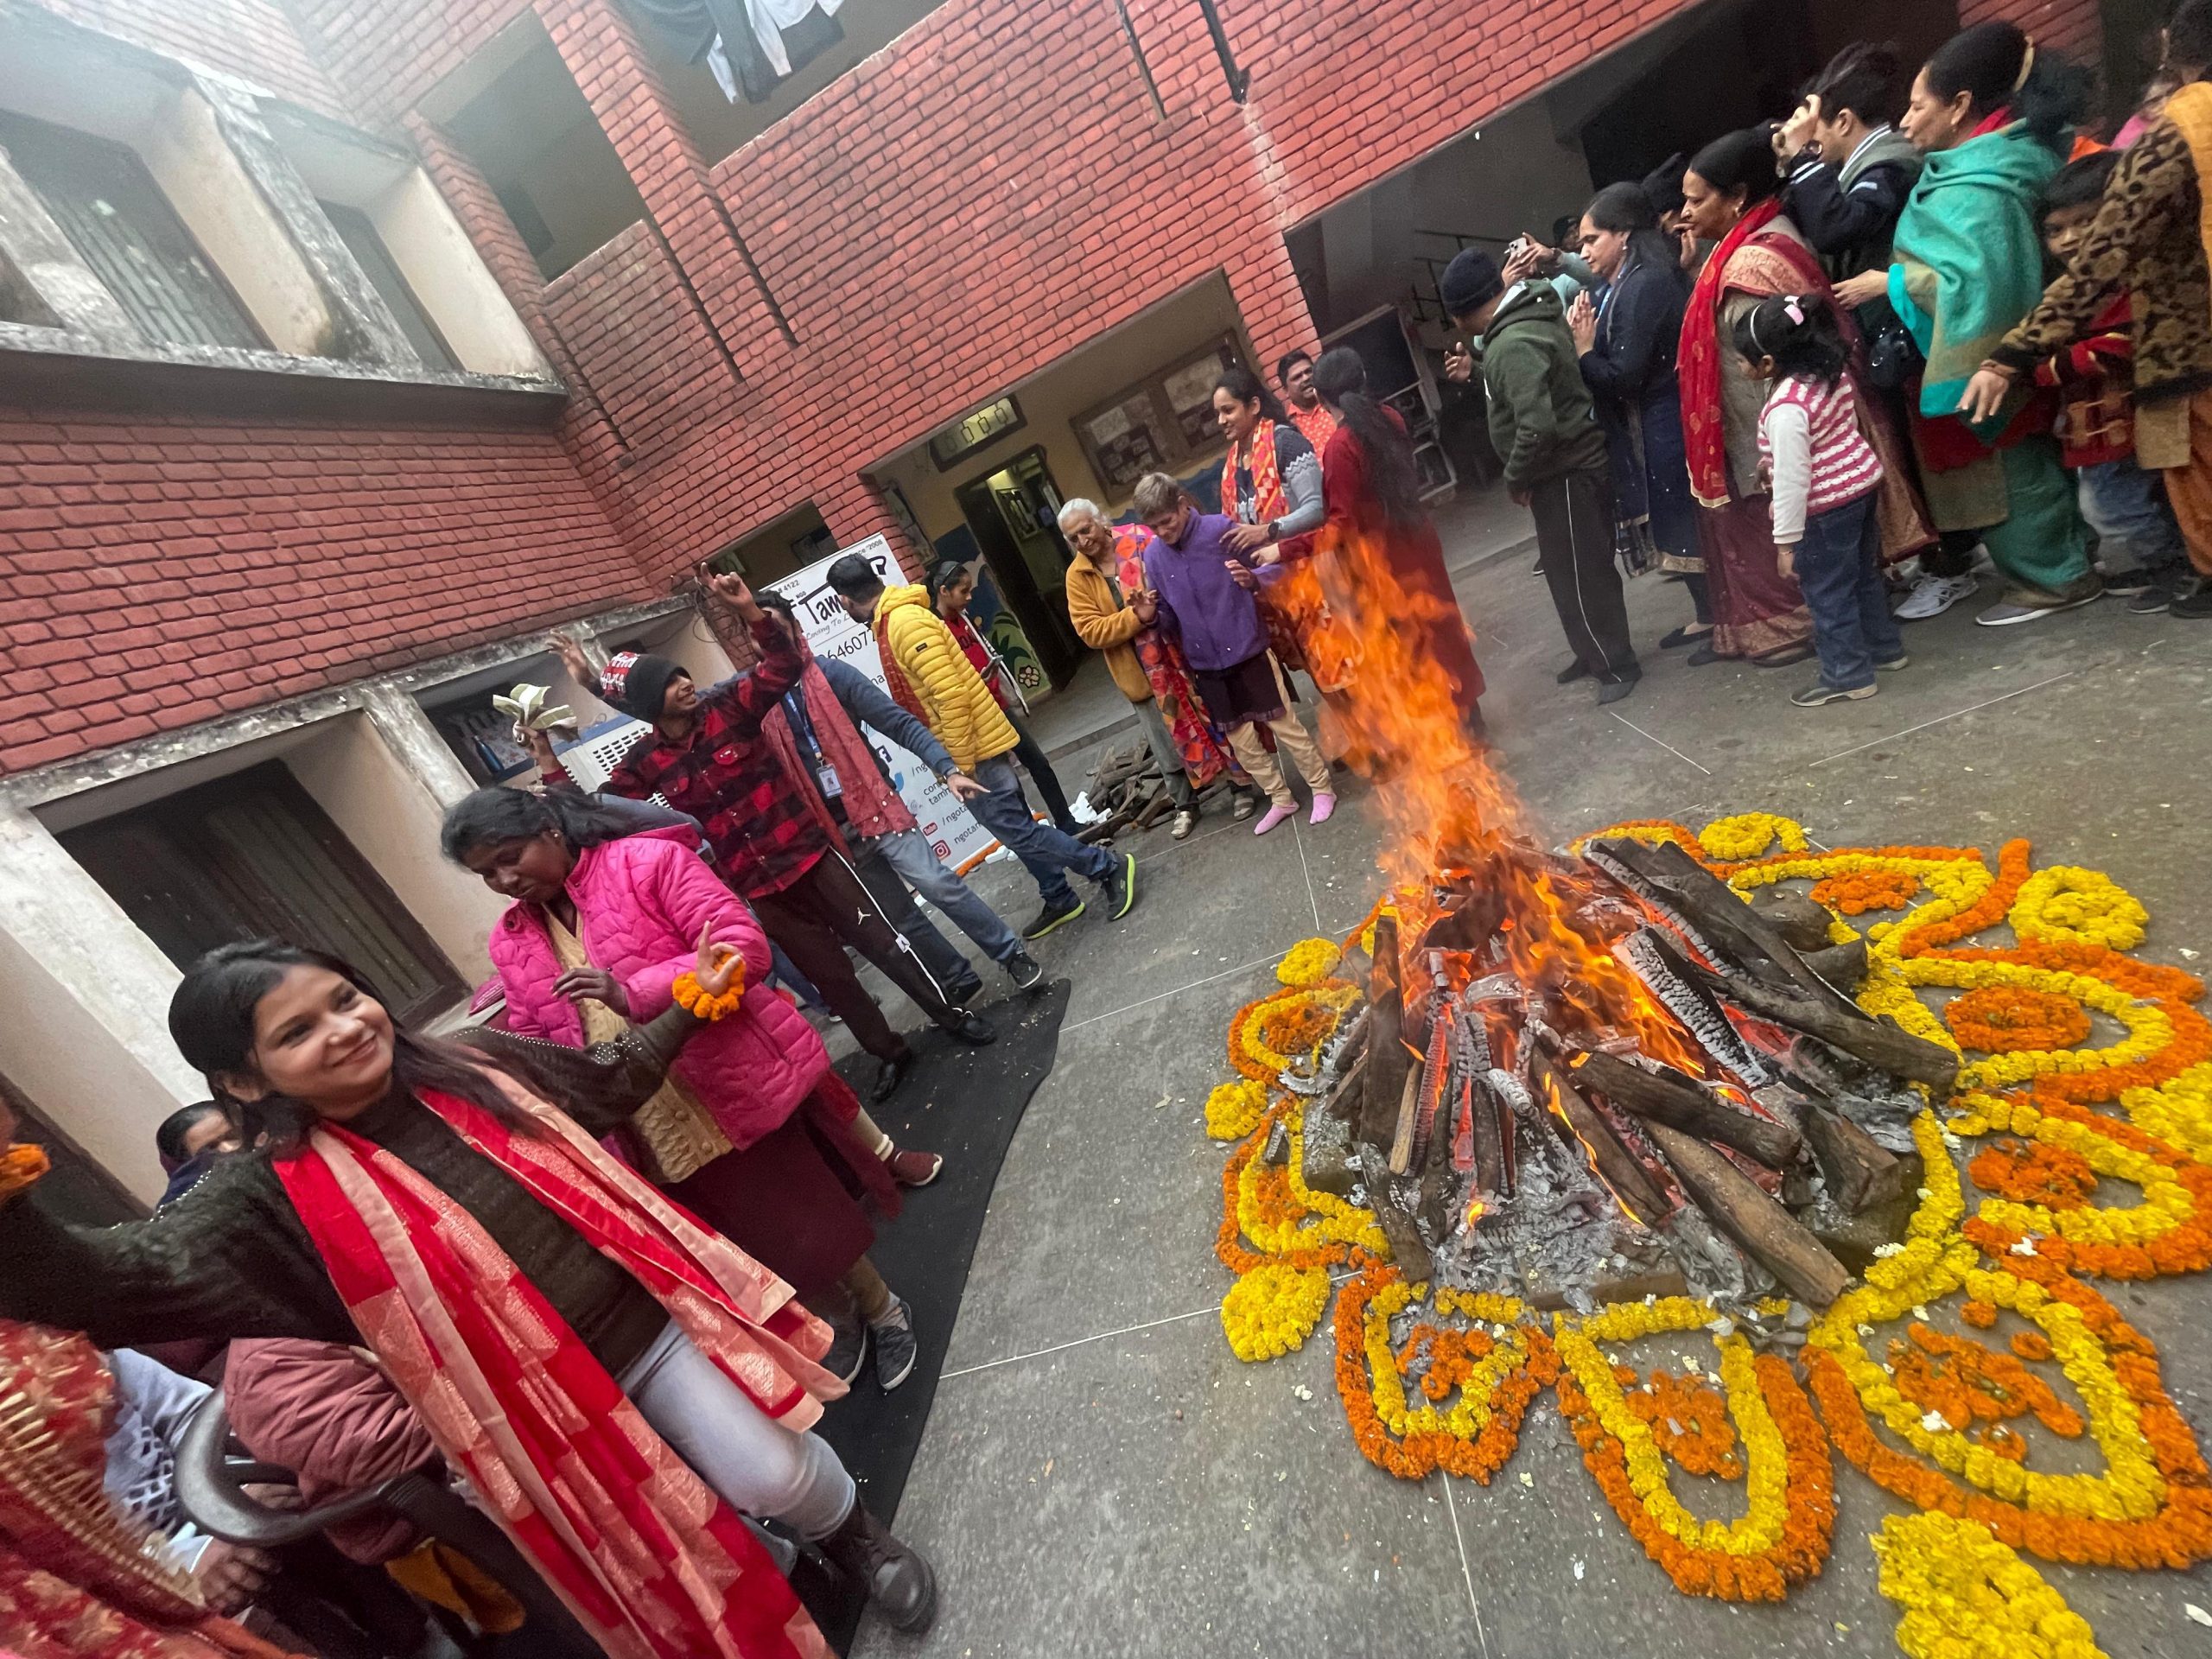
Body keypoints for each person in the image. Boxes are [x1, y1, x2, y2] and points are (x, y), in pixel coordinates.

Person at [0, 935, 939, 1650]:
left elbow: (609, 1086)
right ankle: (774, 1592)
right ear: (244, 1079)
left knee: (770, 1474)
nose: (346, 1027)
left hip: (645, 1332)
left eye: (345, 998)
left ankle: (856, 1538)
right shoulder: (263, 1197)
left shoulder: (480, 1063)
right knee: (674, 1551)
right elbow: (103, 1287)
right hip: (518, 1421)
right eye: (298, 1032)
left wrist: (688, 1005)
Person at [442, 785, 924, 1392]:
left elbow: (741, 949)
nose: (506, 879)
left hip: (720, 1079)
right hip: (639, 1115)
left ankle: (884, 1309)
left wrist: (631, 992)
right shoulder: (509, 941)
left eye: (511, 856)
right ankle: (839, 1320)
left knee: (805, 1218)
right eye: (487, 873)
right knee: (750, 1240)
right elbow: (544, 1036)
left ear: (550, 829)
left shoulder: (647, 863)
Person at [545, 575, 995, 1105]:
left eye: (684, 675)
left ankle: (950, 1016)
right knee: (833, 980)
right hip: (759, 888)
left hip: (813, 858)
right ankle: (889, 1052)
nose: (687, 683)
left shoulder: (729, 705)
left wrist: (750, 614)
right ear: (649, 704)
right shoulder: (647, 761)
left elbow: (782, 667)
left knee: (889, 945)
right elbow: (592, 811)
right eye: (672, 683)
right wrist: (546, 759)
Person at [1835, 22, 2101, 626]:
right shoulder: (1991, 161)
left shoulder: (1985, 183)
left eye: (1917, 105)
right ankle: (2066, 562)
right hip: (1998, 351)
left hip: (1993, 361)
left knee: (2013, 467)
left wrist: (1895, 282)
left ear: (1959, 107)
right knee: (2021, 465)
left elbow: (1982, 286)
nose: (1904, 121)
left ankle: (2055, 578)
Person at [1961, 0, 2212, 617]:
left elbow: (2103, 258)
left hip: (2193, 342)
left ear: (2167, 49)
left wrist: (2012, 355)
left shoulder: (2178, 134)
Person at [824, 554, 1138, 939]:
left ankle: (1107, 866)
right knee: (1017, 829)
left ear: (844, 601)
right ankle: (1059, 896)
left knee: (1019, 832)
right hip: (976, 746)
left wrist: (957, 764)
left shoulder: (903, 625)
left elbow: (951, 696)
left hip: (974, 751)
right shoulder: (898, 621)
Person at [750, 588, 1046, 988]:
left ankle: (1011, 955)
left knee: (939, 885)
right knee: (899, 915)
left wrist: (947, 767)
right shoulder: (756, 701)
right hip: (832, 833)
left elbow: (900, 723)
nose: (768, 643)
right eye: (758, 634)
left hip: (877, 809)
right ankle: (958, 978)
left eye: (777, 630)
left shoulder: (833, 676)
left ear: (796, 629)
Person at [0, 1315, 296, 1659]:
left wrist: (238, 1498)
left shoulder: (39, 1344)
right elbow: (66, 1586)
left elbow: (190, 1414)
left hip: (235, 1511)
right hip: (158, 1604)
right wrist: (192, 1569)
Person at [1439, 249, 1637, 702]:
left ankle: (1616, 665)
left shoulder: (1511, 344)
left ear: (1461, 313)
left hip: (1565, 470)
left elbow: (1537, 426)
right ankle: (1591, 652)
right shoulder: (1524, 318)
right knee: (1565, 574)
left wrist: (1515, 477)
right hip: (1560, 469)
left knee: (1584, 574)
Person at [2024, 150, 2193, 613]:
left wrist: (2044, 366)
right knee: (2125, 501)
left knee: (2114, 506)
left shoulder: (2128, 280)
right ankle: (2168, 561)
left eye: (2085, 222)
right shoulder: (2071, 286)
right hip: (2098, 421)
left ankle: (2175, 568)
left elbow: (2119, 344)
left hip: (2128, 418)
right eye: (2056, 230)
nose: (2070, 239)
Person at [1124, 474, 1336, 836]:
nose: (1163, 531)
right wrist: (1151, 617)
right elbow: (1170, 619)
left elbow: (1270, 565)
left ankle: (1322, 788)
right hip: (1205, 664)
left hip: (1248, 647)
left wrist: (1252, 580)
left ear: (1182, 504)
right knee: (1242, 742)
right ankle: (1281, 798)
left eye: (1167, 520)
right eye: (1154, 526)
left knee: (1286, 725)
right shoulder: (1155, 557)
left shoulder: (1220, 530)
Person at [1737, 293, 1909, 705]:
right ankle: (1885, 649)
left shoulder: (1785, 408)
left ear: (1768, 365)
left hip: (1824, 508)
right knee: (1863, 575)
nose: (1738, 366)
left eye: (1742, 360)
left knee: (1827, 593)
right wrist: (1773, 460)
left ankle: (1847, 674)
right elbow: (1826, 436)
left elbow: (1795, 481)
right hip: (1858, 488)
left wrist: (1785, 543)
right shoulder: (1828, 375)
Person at [1306, 346, 1489, 726]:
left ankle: (1447, 726)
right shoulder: (1390, 418)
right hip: (1417, 536)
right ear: (1364, 380)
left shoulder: (1341, 447)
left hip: (1383, 558)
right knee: (1442, 625)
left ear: (1321, 399)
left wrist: (1290, 547)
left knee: (1412, 642)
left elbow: (1342, 524)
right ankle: (1471, 713)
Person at [1566, 181, 1710, 651]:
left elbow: (1625, 373)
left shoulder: (1643, 284)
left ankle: (1718, 614)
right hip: (1655, 416)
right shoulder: (1625, 283)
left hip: (1665, 415)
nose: (1583, 251)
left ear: (1623, 235)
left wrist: (1585, 351)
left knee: (1685, 517)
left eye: (1592, 239)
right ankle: (1709, 614)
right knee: (1678, 516)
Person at [1059, 499, 1254, 829]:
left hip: (1180, 651)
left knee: (1212, 718)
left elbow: (1177, 582)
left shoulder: (1140, 539)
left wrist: (1157, 612)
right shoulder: (1077, 576)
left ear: (1100, 521)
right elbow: (1090, 631)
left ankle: (1240, 786)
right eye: (1073, 538)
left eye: (1085, 529)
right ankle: (1186, 806)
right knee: (1165, 745)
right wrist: (1136, 616)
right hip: (1138, 672)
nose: (1083, 541)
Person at [925, 562, 1080, 836]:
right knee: (1009, 783)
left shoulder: (964, 619)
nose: (970, 597)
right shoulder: (935, 628)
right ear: (944, 592)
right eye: (964, 591)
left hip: (999, 704)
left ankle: (1066, 822)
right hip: (978, 714)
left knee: (1037, 762)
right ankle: (1034, 837)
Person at [1213, 365, 1336, 690]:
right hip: (1277, 585)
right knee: (1316, 666)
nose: (1221, 421)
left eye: (1228, 410)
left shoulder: (1287, 444)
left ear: (1253, 406)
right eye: (1218, 413)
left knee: (1340, 658)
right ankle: (1358, 737)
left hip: (1316, 574)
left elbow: (1317, 508)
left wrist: (1269, 531)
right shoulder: (1234, 463)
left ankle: (1383, 736)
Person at [156, 1098, 245, 1206]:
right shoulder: (196, 1210)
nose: (229, 1148)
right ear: (187, 1166)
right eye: (210, 1149)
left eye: (233, 1135)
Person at [1276, 348, 1339, 449]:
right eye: (1297, 377)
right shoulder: (1288, 427)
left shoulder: (1337, 404)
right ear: (1286, 390)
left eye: (1309, 371)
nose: (1306, 378)